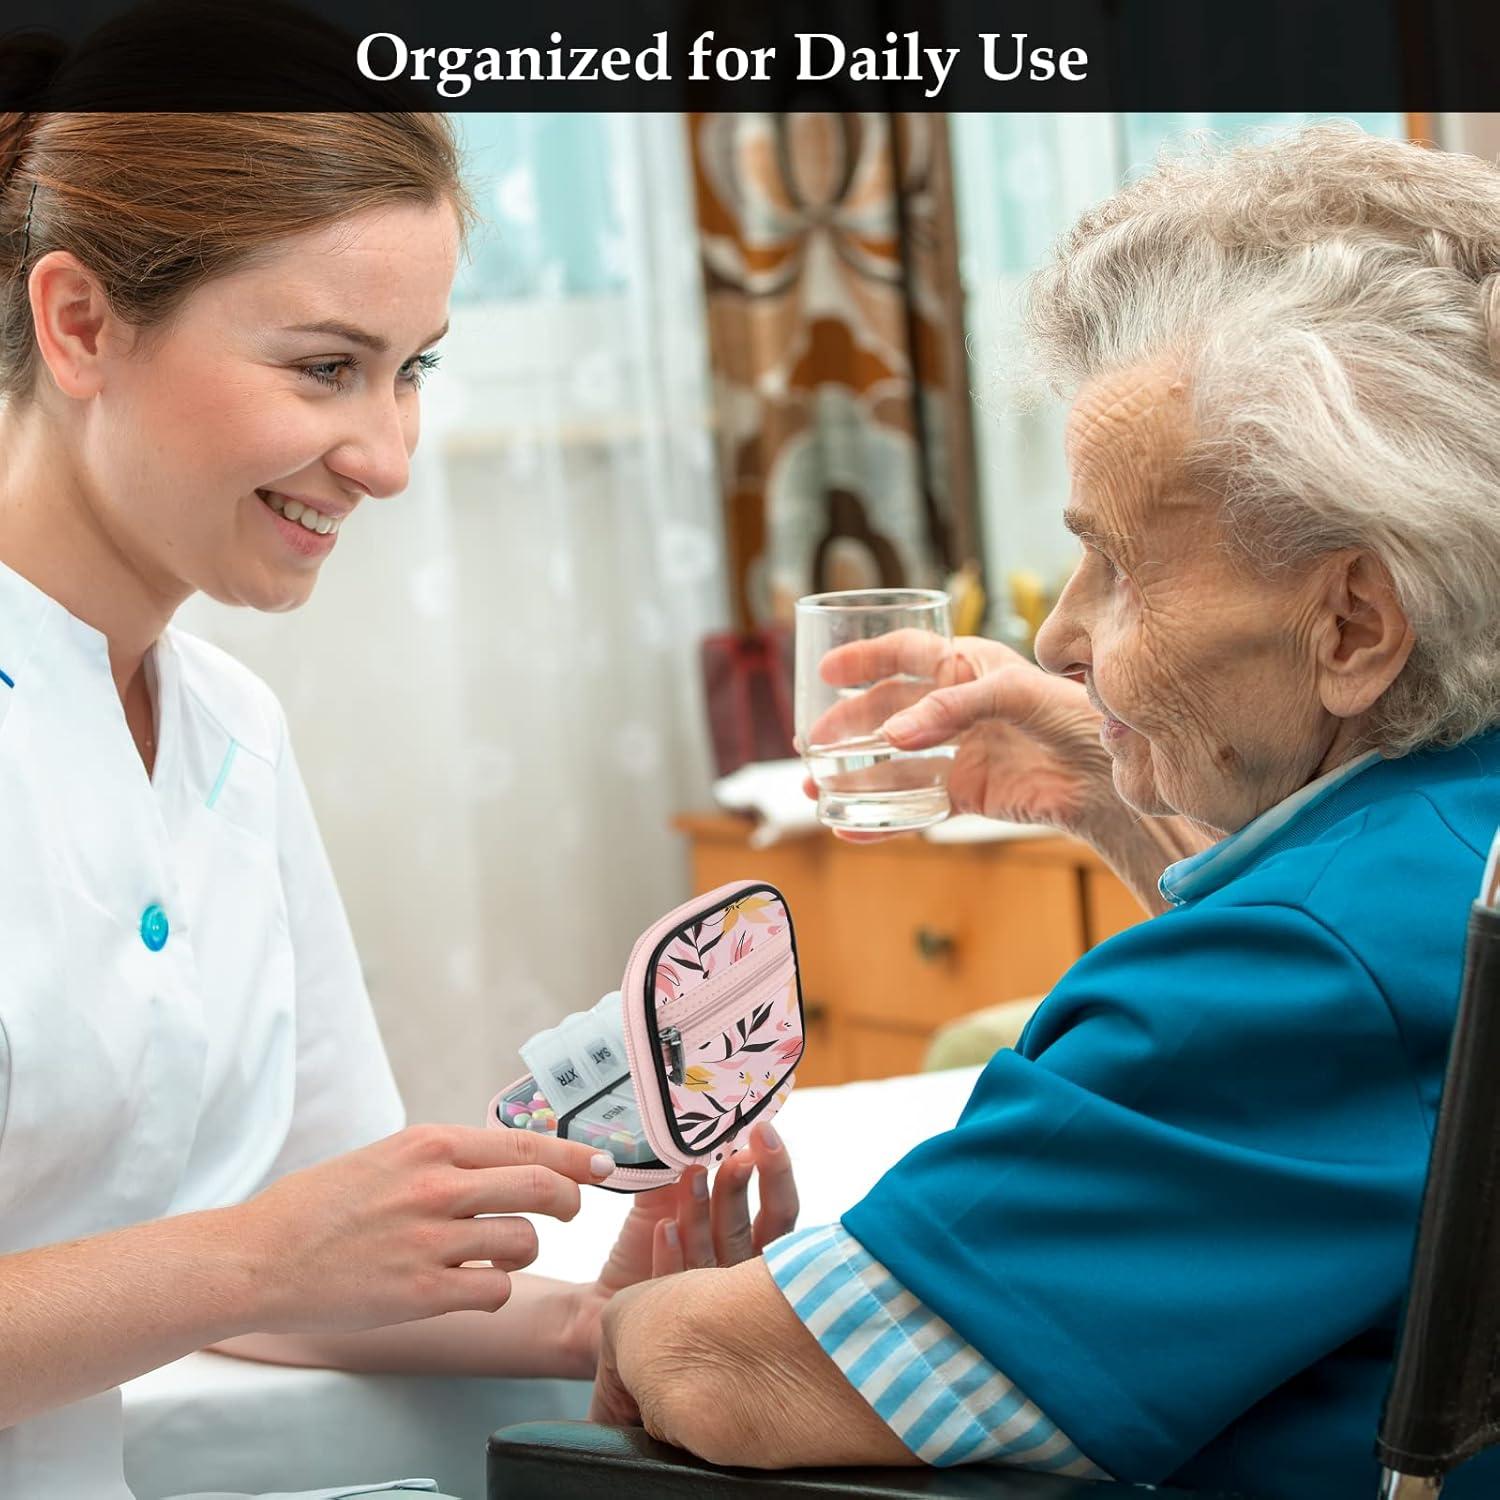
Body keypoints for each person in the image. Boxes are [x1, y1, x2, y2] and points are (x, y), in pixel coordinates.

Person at [591, 122, 1500, 1500]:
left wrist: (644, 1311)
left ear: (1356, 622)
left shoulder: (1299, 983)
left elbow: (749, 1378)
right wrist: (1103, 783)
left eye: (1117, 570)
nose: (1064, 638)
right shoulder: (1453, 846)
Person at [0, 107, 798, 1500]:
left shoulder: (229, 736)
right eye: (325, 369)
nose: (386, 455)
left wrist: (604, 1320)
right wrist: (259, 1253)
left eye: (409, 370)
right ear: (78, 325)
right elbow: (254, 1257)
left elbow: (288, 1270)